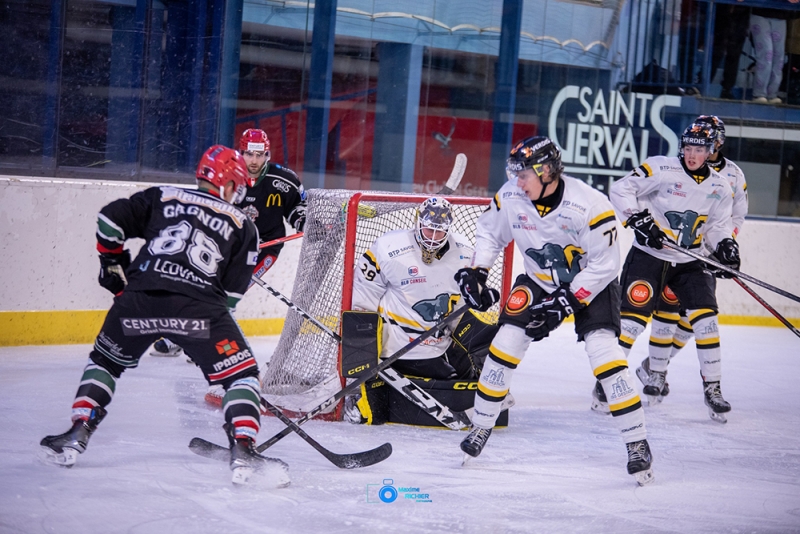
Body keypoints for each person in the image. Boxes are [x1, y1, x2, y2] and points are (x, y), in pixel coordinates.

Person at [40, 146, 284, 485]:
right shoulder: (243, 224)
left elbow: (109, 221)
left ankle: (77, 432)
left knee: (106, 363)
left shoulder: (162, 195)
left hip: (138, 302)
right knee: (240, 377)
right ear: (229, 184)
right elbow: (228, 298)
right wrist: (196, 342)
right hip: (198, 311)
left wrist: (110, 261)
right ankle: (243, 449)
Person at [455, 136, 654, 486]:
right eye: (514, 174)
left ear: (547, 171)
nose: (517, 182)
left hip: (590, 285)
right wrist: (478, 271)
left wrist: (567, 301)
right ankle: (481, 426)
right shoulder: (512, 196)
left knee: (605, 355)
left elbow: (606, 266)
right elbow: (489, 234)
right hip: (539, 280)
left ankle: (637, 443)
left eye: (524, 174)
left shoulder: (591, 204)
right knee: (505, 344)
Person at [603, 121, 739, 424]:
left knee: (706, 322)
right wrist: (637, 219)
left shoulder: (720, 186)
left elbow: (717, 227)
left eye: (699, 149)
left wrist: (726, 246)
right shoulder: (661, 168)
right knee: (632, 324)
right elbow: (621, 188)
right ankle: (608, 381)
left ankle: (713, 388)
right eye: (688, 148)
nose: (692, 155)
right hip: (650, 257)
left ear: (710, 150)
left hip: (690, 262)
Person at [151, 128, 306, 360]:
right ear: (240, 152)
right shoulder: (227, 176)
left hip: (264, 249)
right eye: (248, 154)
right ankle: (182, 338)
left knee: (222, 295)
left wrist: (302, 220)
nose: (254, 161)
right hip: (227, 247)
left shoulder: (285, 180)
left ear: (268, 154)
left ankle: (203, 342)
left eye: (259, 155)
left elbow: (297, 207)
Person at [343, 197, 500, 424]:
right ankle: (363, 391)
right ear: (417, 222)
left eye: (440, 232)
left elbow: (465, 299)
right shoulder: (389, 248)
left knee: (483, 353)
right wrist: (365, 354)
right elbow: (362, 301)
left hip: (438, 341)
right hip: (395, 345)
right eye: (429, 230)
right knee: (374, 416)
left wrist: (480, 297)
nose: (433, 238)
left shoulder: (465, 253)